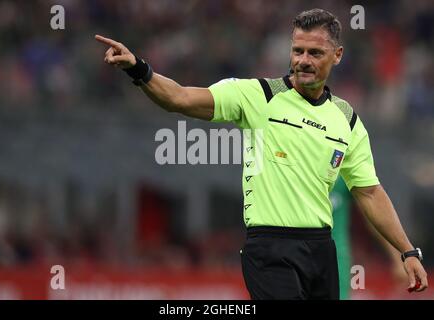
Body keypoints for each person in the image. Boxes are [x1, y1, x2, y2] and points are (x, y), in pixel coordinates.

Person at [95, 8, 428, 299]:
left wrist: (406, 251)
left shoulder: (347, 119)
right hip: (270, 248)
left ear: (337, 55)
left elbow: (369, 192)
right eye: (297, 51)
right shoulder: (257, 96)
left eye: (314, 53)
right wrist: (139, 69)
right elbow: (180, 98)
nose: (303, 61)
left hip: (321, 251)